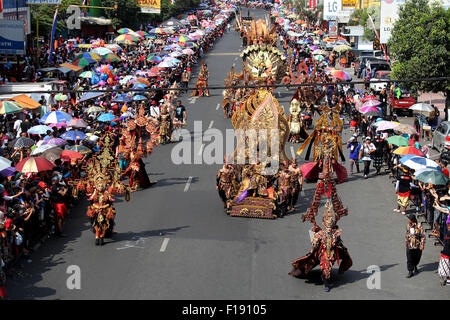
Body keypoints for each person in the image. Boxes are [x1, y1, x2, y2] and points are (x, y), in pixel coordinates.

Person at [405, 214, 425, 278]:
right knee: (409, 258)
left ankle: (415, 265)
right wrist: (406, 241)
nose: (408, 220)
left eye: (409, 219)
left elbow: (423, 236)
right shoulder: (408, 226)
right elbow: (407, 233)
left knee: (417, 257)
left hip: (417, 245)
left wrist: (422, 244)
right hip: (410, 245)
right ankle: (410, 271)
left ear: (412, 220)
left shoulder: (419, 226)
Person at [438, 215, 450, 285]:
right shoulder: (448, 232)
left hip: (447, 252)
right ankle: (447, 279)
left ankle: (445, 278)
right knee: (447, 265)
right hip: (446, 251)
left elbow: (448, 243)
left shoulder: (449, 232)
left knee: (445, 265)